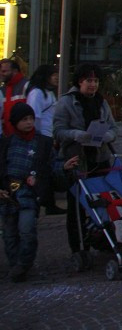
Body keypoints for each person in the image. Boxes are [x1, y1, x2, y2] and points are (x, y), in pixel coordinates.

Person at [0, 103, 78, 282]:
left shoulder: (42, 143)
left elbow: (52, 166)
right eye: (24, 120)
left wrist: (63, 167)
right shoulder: (6, 143)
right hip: (8, 196)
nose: (28, 123)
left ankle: (24, 263)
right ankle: (16, 265)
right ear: (15, 122)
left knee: (27, 230)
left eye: (30, 119)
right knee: (10, 234)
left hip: (29, 195)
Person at [53, 63, 118, 254]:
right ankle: (78, 248)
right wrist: (75, 134)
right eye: (89, 80)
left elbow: (113, 128)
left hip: (99, 158)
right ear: (80, 81)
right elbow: (57, 131)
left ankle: (103, 241)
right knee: (76, 208)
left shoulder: (102, 102)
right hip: (78, 160)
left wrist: (107, 136)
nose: (93, 85)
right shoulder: (67, 102)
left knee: (102, 202)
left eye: (96, 81)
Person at [25, 65, 64, 215]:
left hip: (48, 136)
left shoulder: (49, 93)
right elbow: (36, 117)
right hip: (42, 137)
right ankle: (44, 201)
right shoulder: (37, 93)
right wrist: (38, 137)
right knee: (43, 171)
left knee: (47, 170)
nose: (56, 77)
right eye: (53, 74)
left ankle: (48, 202)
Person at [1, 59, 27, 136]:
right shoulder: (3, 90)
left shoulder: (26, 86)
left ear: (15, 71)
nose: (1, 74)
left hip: (24, 136)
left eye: (4, 71)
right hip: (7, 137)